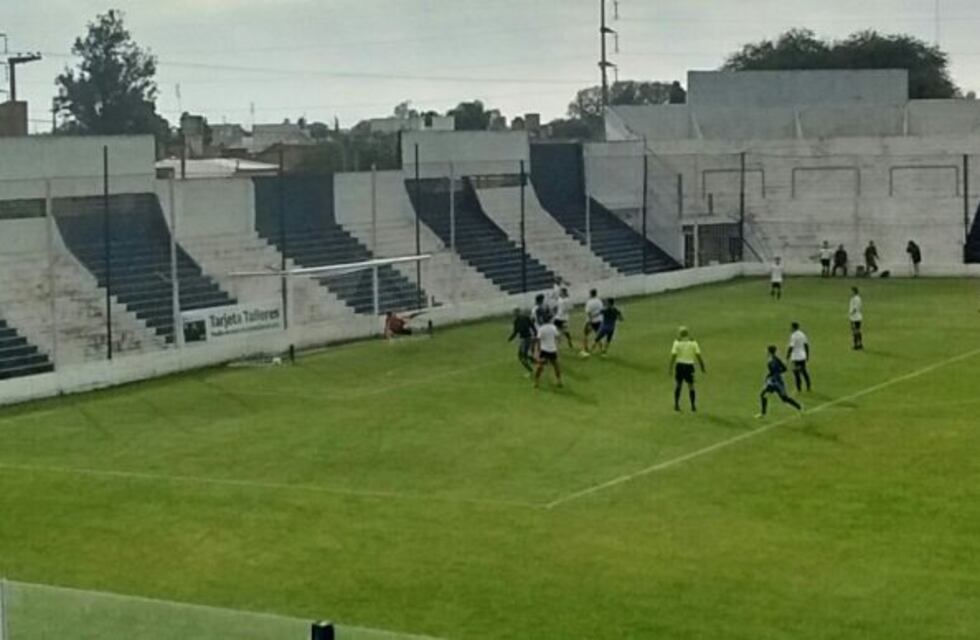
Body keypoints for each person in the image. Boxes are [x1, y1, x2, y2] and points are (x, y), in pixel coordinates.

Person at [756, 345, 803, 418]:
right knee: (763, 395)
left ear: (769, 352)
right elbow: (784, 369)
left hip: (777, 383)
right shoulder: (775, 359)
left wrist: (772, 375)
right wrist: (770, 375)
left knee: (784, 399)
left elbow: (779, 370)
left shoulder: (773, 361)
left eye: (767, 351)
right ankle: (763, 413)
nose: (766, 352)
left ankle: (799, 407)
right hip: (774, 382)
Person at [668, 326, 706, 412]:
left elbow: (673, 355)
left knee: (678, 385)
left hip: (680, 365)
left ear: (680, 334)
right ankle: (693, 406)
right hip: (689, 366)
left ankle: (676, 405)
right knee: (691, 386)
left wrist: (670, 367)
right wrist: (702, 366)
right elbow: (698, 355)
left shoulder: (676, 343)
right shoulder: (693, 343)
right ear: (687, 334)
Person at [533, 311, 562, 388]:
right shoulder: (553, 327)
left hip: (544, 350)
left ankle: (536, 382)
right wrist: (557, 343)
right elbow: (558, 337)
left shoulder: (541, 329)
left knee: (540, 366)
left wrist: (538, 349)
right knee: (556, 366)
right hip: (552, 349)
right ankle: (559, 381)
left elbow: (538, 340)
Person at [507, 307, 535, 375]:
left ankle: (531, 370)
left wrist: (510, 338)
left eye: (515, 313)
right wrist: (536, 334)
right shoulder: (525, 317)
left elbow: (515, 332)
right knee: (524, 355)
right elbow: (532, 326)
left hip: (524, 340)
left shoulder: (517, 321)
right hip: (528, 338)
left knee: (521, 356)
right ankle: (535, 361)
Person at [786, 321, 811, 393]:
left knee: (796, 373)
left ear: (793, 327)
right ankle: (808, 386)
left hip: (796, 357)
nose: (790, 328)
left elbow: (791, 346)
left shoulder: (793, 335)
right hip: (802, 356)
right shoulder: (802, 334)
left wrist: (788, 355)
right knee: (804, 371)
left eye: (791, 327)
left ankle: (798, 389)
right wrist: (807, 355)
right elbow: (806, 345)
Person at [580, 289, 604, 356]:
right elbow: (601, 311)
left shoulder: (589, 302)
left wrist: (590, 321)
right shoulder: (599, 301)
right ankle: (602, 350)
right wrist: (596, 315)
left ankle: (585, 349)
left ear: (591, 294)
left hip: (590, 321)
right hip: (598, 320)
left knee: (585, 334)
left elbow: (588, 312)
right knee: (598, 335)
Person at [849, 286, 864, 350]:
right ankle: (860, 344)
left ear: (854, 291)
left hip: (855, 317)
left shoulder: (856, 299)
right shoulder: (857, 298)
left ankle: (856, 345)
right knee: (858, 330)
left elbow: (855, 307)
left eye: (852, 291)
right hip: (857, 317)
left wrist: (851, 313)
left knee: (855, 331)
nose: (851, 292)